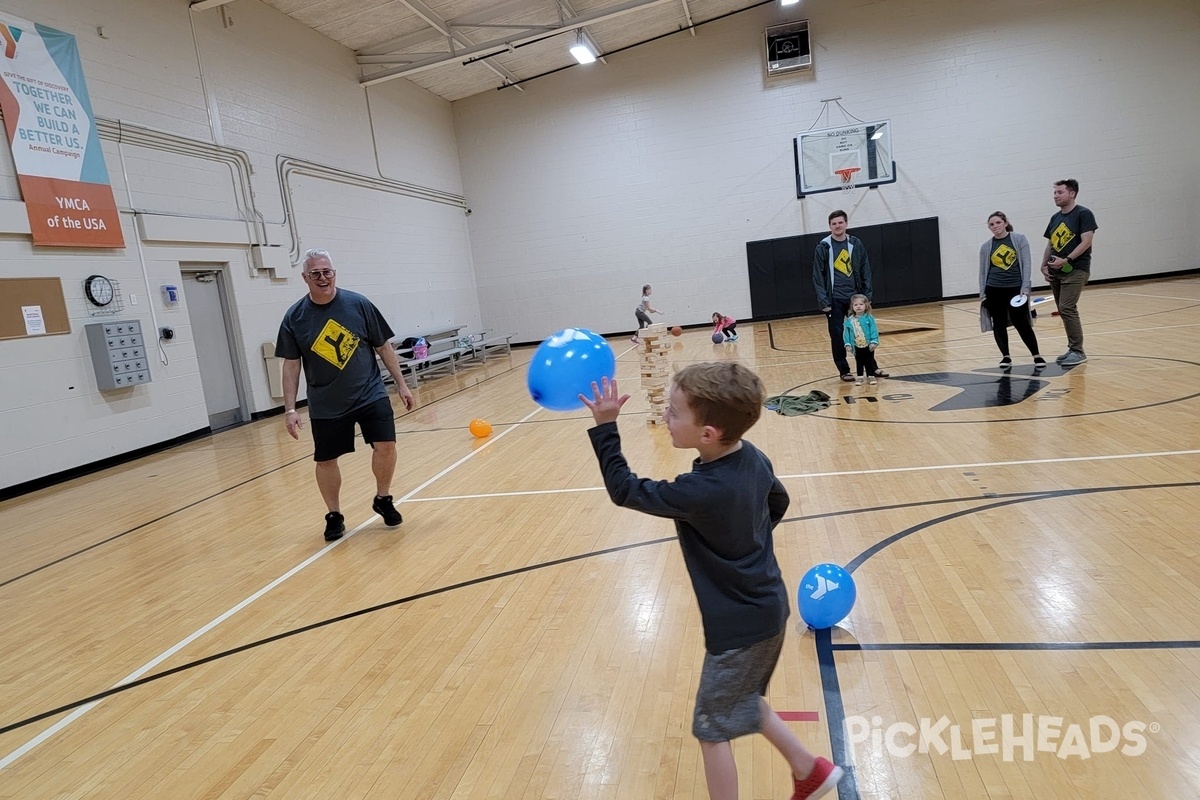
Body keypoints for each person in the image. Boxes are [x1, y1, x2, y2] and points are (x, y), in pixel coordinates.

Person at [581, 364, 844, 800]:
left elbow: (625, 490)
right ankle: (808, 770)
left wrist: (606, 427)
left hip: (740, 627)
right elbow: (778, 500)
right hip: (768, 609)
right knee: (743, 702)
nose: (666, 416)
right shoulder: (752, 456)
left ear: (708, 434)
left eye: (674, 412)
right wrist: (746, 539)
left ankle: (801, 773)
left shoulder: (699, 491)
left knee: (710, 728)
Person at [276, 248, 415, 542]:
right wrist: (290, 409)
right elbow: (291, 364)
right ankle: (334, 515)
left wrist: (401, 384)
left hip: (370, 392)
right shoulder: (295, 317)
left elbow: (383, 346)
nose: (323, 278)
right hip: (326, 402)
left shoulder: (359, 304)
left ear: (334, 274)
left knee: (386, 445)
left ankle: (383, 498)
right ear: (305, 278)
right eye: (315, 273)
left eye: (327, 272)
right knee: (326, 461)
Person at [812, 210, 887, 381]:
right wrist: (824, 300)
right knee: (838, 335)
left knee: (863, 333)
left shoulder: (856, 244)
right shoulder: (823, 247)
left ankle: (872, 368)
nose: (837, 226)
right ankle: (844, 370)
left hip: (855, 299)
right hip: (834, 299)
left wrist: (866, 296)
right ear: (829, 226)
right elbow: (817, 275)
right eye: (834, 223)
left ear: (846, 224)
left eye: (840, 223)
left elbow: (865, 269)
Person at [1040, 179, 1098, 366]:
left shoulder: (1083, 214)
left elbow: (1086, 241)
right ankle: (1072, 348)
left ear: (1072, 193)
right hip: (1055, 271)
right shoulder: (1055, 218)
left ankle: (1078, 351)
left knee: (1067, 306)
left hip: (1076, 269)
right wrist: (1043, 265)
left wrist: (1067, 259)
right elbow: (1051, 243)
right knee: (1063, 309)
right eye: (1054, 193)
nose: (1055, 196)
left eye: (1059, 192)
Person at [979, 212, 1045, 370]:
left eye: (998, 222)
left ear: (1005, 222)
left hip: (1015, 289)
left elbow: (1027, 264)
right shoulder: (986, 247)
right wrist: (983, 294)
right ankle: (1006, 357)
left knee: (1020, 321)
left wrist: (1025, 287)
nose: (995, 226)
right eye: (992, 224)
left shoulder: (1019, 239)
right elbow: (982, 272)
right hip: (994, 289)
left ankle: (1036, 355)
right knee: (999, 323)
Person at [842, 294, 881, 385]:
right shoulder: (850, 320)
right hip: (856, 345)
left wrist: (874, 341)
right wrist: (847, 343)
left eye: (861, 304)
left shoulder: (869, 318)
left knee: (869, 360)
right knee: (859, 361)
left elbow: (873, 330)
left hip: (868, 344)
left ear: (866, 305)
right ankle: (860, 377)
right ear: (852, 307)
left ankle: (871, 376)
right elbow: (846, 333)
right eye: (855, 305)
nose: (858, 306)